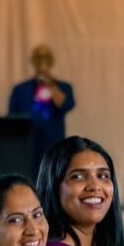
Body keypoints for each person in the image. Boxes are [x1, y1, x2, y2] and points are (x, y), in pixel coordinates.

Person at [8, 45, 76, 173]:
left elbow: (65, 104)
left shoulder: (63, 87)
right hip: (27, 147)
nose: (42, 61)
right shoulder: (21, 89)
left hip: (53, 146)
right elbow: (12, 119)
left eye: (45, 57)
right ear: (33, 61)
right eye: (38, 57)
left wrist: (49, 83)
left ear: (52, 61)